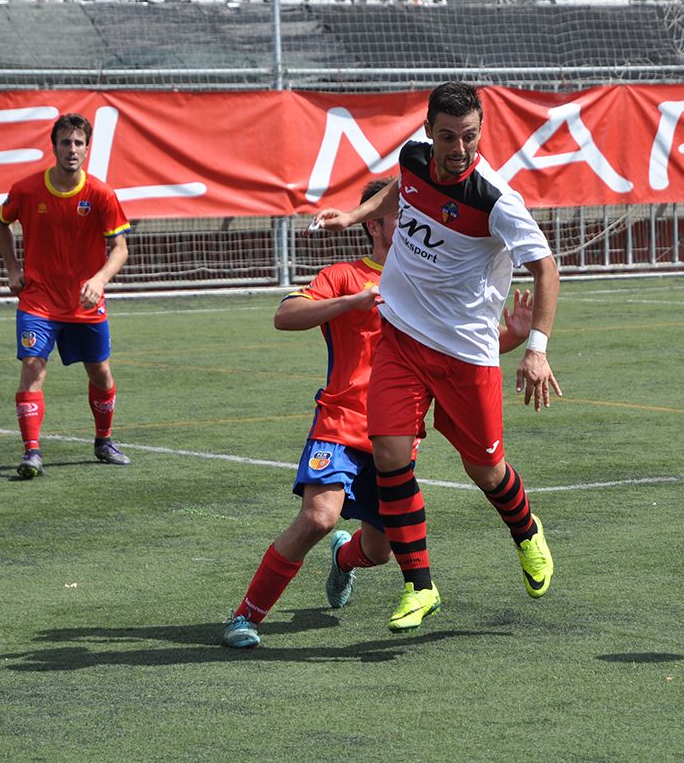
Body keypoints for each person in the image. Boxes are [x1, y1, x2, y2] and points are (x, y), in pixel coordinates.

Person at [222, 178, 536, 649]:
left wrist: (511, 337)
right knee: (319, 516)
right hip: (341, 423)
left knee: (379, 550)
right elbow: (284, 315)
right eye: (403, 214)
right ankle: (246, 616)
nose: (415, 223)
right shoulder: (346, 275)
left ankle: (343, 561)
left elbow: (462, 352)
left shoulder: (426, 285)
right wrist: (351, 302)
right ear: (374, 222)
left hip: (394, 438)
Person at [314, 81, 563, 633]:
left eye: (469, 137)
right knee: (389, 455)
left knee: (486, 470)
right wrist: (354, 219)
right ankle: (419, 586)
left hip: (466, 352)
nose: (458, 149)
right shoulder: (414, 159)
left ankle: (527, 534)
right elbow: (399, 192)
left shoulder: (496, 201)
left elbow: (546, 269)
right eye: (447, 137)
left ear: (481, 133)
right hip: (401, 337)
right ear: (429, 132)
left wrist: (537, 350)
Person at [0, 113, 132, 480]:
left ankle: (104, 441)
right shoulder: (26, 189)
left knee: (101, 373)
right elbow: (1, 220)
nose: (72, 149)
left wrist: (100, 279)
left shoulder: (101, 193)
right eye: (65, 142)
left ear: (87, 149)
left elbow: (120, 249)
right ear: (53, 146)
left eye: (78, 143)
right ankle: (32, 452)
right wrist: (11, 268)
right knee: (32, 368)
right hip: (38, 300)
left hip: (85, 303)